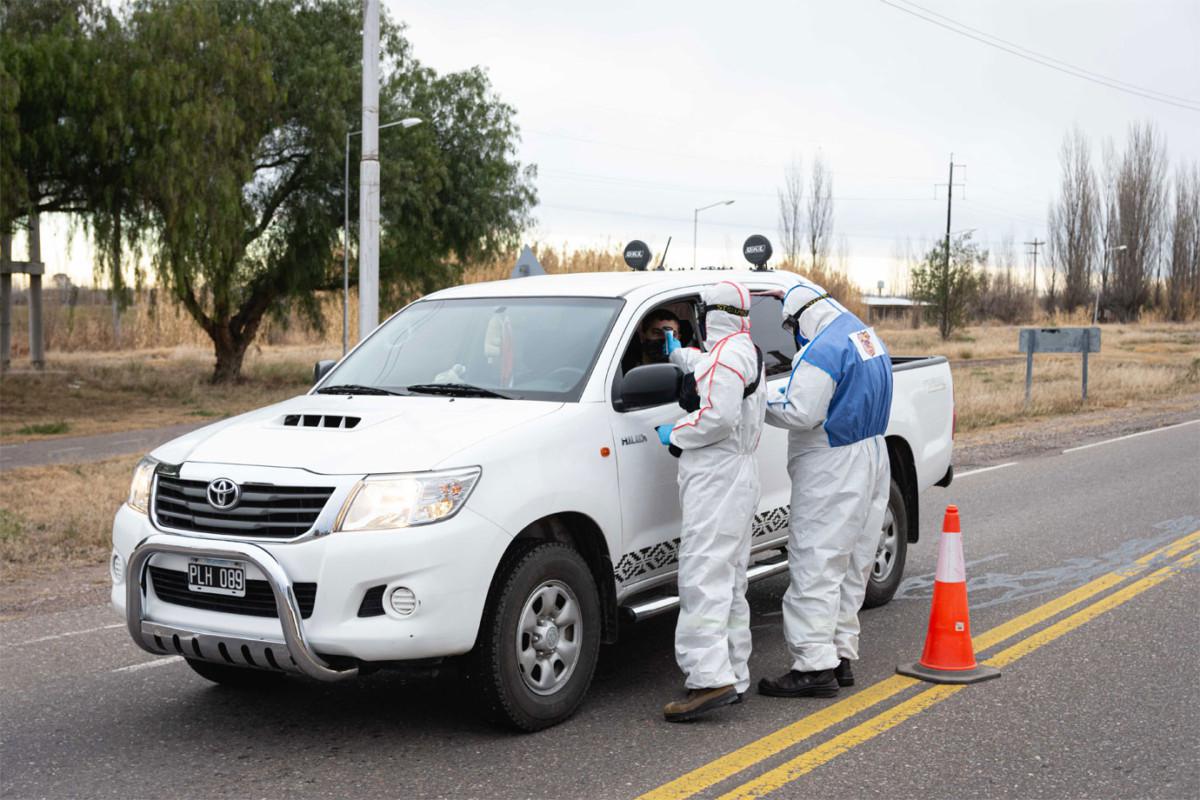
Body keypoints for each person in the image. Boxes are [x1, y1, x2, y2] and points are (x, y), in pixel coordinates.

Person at [758, 280, 892, 698]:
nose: (792, 335)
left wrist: (754, 400)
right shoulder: (863, 335)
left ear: (801, 318)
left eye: (789, 326)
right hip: (871, 453)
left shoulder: (822, 350)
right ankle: (839, 655)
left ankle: (813, 666)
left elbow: (801, 411)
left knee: (816, 562)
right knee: (852, 561)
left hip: (832, 464)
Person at [654, 281, 766, 722]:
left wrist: (676, 433)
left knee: (702, 575)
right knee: (730, 579)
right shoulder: (743, 350)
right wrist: (677, 351)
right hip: (738, 476)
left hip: (717, 478)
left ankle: (706, 678)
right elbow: (709, 367)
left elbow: (718, 416)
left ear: (711, 314)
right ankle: (733, 673)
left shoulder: (728, 357)